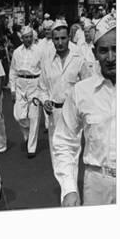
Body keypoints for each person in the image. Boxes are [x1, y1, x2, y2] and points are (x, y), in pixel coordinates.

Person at [52, 14, 116, 206]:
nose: (111, 57)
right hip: (97, 184)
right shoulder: (81, 92)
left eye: (117, 49)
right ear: (95, 53)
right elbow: (64, 141)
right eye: (104, 50)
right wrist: (69, 188)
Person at [37, 20, 91, 180]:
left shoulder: (78, 59)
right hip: (54, 114)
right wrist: (45, 100)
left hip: (73, 116)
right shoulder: (47, 62)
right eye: (56, 39)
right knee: (57, 157)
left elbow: (87, 85)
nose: (60, 42)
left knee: (72, 157)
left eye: (63, 38)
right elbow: (42, 87)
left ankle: (69, 196)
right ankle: (67, 192)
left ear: (69, 38)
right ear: (52, 40)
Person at [9, 26, 43, 158]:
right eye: (25, 37)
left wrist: (42, 89)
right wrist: (12, 89)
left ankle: (31, 148)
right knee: (18, 115)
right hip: (20, 84)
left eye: (30, 37)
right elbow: (12, 71)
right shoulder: (17, 52)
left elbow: (44, 70)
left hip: (35, 83)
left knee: (34, 116)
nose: (28, 39)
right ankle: (27, 135)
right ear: (21, 38)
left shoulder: (39, 51)